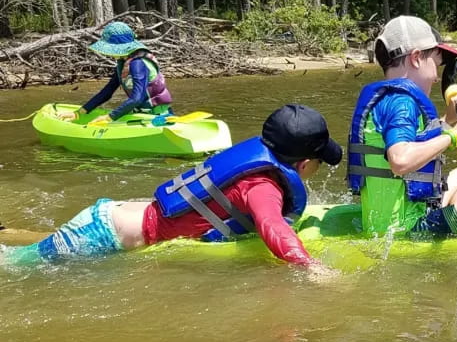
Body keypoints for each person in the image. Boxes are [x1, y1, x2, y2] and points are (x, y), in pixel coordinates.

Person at [1, 104, 342, 270]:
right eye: (319, 161)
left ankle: (10, 231)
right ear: (303, 163)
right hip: (105, 234)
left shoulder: (258, 165)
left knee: (34, 249)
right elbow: (271, 225)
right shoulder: (263, 186)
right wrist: (313, 268)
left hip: (112, 217)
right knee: (16, 265)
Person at [348, 15, 457, 236]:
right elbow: (400, 160)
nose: (435, 78)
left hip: (398, 218)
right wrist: (454, 134)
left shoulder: (390, 98)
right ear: (415, 58)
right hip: (411, 231)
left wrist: (448, 120)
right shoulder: (402, 103)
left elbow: (414, 139)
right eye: (435, 64)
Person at [57, 21, 174, 124]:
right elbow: (107, 91)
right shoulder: (123, 63)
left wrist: (110, 117)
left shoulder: (137, 64)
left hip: (158, 116)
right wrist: (80, 112)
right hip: (141, 114)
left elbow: (137, 98)